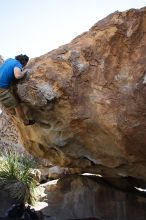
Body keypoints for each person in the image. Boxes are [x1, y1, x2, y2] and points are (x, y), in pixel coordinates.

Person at [0, 54, 35, 125]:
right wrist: (25, 71)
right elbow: (18, 76)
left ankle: (9, 107)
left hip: (3, 86)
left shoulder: (9, 59)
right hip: (1, 89)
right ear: (24, 62)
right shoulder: (18, 64)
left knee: (12, 97)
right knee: (17, 106)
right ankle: (26, 122)